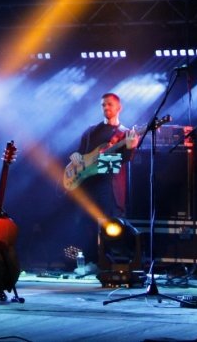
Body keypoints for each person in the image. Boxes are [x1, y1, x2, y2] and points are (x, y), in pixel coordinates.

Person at [65, 92, 139, 267]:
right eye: (103, 105)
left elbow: (123, 161)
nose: (106, 107)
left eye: (109, 104)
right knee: (85, 224)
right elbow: (80, 153)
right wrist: (75, 156)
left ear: (119, 108)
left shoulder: (124, 133)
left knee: (111, 225)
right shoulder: (91, 131)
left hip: (110, 186)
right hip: (88, 185)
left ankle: (110, 263)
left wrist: (130, 148)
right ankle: (87, 261)